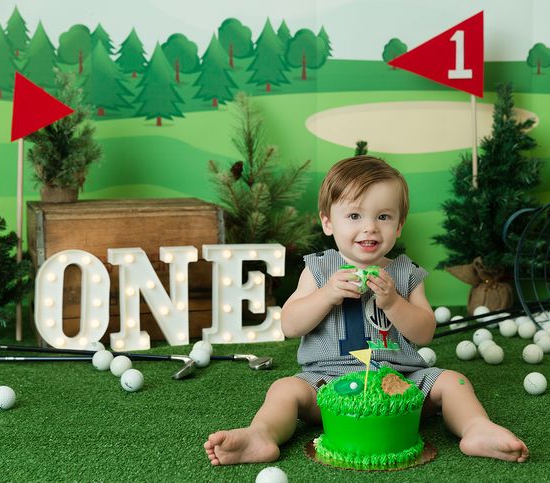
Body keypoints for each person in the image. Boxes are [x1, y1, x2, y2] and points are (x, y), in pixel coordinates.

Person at [204, 155, 529, 465]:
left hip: (401, 384)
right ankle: (261, 435)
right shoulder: (319, 270)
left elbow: (425, 332)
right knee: (284, 389)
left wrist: (393, 302)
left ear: (399, 225)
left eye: (383, 216)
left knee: (454, 382)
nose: (370, 228)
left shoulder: (405, 274)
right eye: (355, 216)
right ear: (328, 222)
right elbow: (289, 325)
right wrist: (327, 294)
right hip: (326, 384)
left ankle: (476, 429)